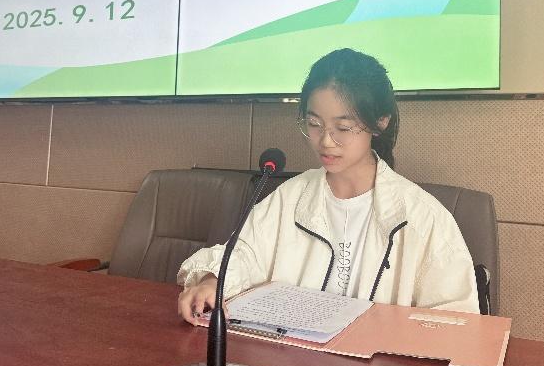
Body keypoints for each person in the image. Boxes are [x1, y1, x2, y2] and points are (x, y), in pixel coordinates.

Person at [177, 48, 479, 324]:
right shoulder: (290, 197)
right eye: (314, 124)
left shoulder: (424, 217)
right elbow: (243, 254)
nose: (325, 141)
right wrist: (213, 281)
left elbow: (457, 321)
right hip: (290, 359)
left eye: (343, 128)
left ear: (381, 121)